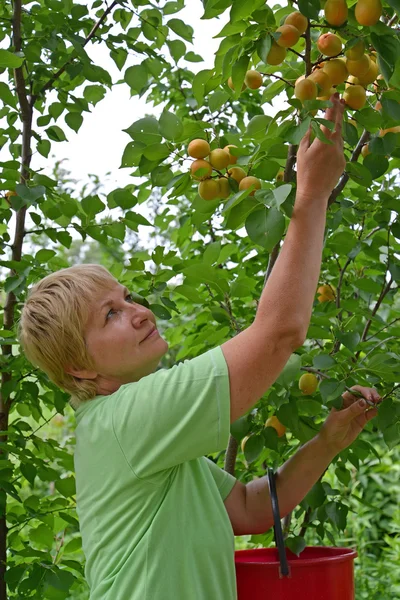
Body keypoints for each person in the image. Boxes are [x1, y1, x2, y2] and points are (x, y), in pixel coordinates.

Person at [19, 95, 380, 600]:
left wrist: (327, 441)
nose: (139, 310)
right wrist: (311, 194)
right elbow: (279, 334)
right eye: (111, 315)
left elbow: (254, 510)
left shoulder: (149, 439)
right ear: (80, 369)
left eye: (125, 298)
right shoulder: (127, 419)